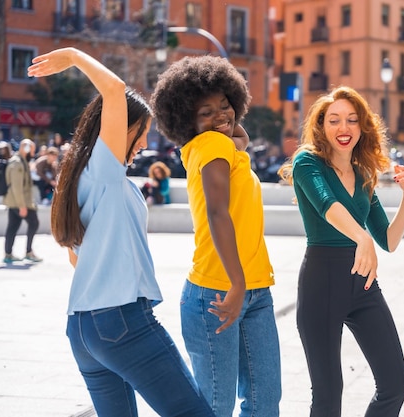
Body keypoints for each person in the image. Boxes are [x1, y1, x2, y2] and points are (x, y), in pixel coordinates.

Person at [27, 47, 215, 417]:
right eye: (142, 133)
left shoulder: (79, 177)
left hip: (83, 329)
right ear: (121, 129)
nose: (144, 143)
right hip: (122, 323)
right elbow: (114, 91)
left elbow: (76, 256)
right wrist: (74, 56)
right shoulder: (104, 169)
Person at [150, 55, 281, 417]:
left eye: (225, 106)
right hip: (220, 291)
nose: (220, 117)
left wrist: (236, 131)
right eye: (205, 112)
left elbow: (238, 137)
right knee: (217, 407)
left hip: (254, 288)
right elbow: (217, 211)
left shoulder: (222, 147)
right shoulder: (210, 146)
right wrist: (236, 284)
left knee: (265, 403)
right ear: (185, 120)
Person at [277, 85, 404, 417]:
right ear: (322, 125)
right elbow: (328, 205)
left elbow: (388, 240)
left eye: (352, 120)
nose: (344, 128)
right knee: (327, 397)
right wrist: (360, 237)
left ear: (362, 127)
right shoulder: (307, 163)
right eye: (335, 120)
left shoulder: (364, 174)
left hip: (363, 287)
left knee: (395, 385)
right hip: (321, 282)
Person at [2, 138, 42, 263]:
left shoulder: (21, 161)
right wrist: (22, 206)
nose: (33, 152)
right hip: (19, 202)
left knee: (12, 227)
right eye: (32, 149)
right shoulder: (17, 164)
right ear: (26, 148)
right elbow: (17, 187)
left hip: (15, 202)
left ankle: (8, 254)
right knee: (34, 223)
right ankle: (28, 252)